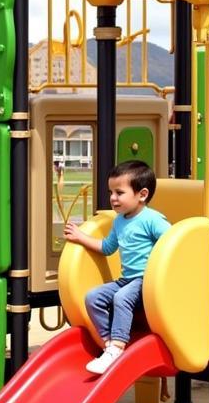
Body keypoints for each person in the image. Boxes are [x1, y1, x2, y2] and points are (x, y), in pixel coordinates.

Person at [63, 160, 170, 375]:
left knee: (121, 298)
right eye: (111, 192)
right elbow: (107, 247)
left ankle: (117, 347)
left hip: (145, 281)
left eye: (119, 192)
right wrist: (81, 237)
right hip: (127, 279)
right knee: (93, 297)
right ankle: (108, 343)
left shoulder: (152, 219)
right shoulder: (119, 221)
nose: (113, 198)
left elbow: (172, 242)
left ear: (142, 194)